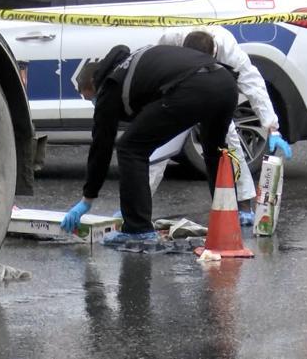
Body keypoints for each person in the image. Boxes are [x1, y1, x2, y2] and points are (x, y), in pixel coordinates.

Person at [59, 38, 238, 245]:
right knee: (215, 152)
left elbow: (101, 147)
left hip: (192, 85)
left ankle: (138, 230)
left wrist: (86, 200)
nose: (94, 104)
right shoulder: (130, 66)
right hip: (224, 82)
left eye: (89, 98)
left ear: (93, 85)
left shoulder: (110, 85)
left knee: (130, 148)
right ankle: (229, 220)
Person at [148, 26, 292, 226]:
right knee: (159, 146)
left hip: (213, 89)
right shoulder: (170, 40)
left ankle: (243, 203)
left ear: (213, 54)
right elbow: (154, 66)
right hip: (179, 90)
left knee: (230, 143)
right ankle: (135, 205)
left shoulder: (228, 50)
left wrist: (272, 127)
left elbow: (254, 85)